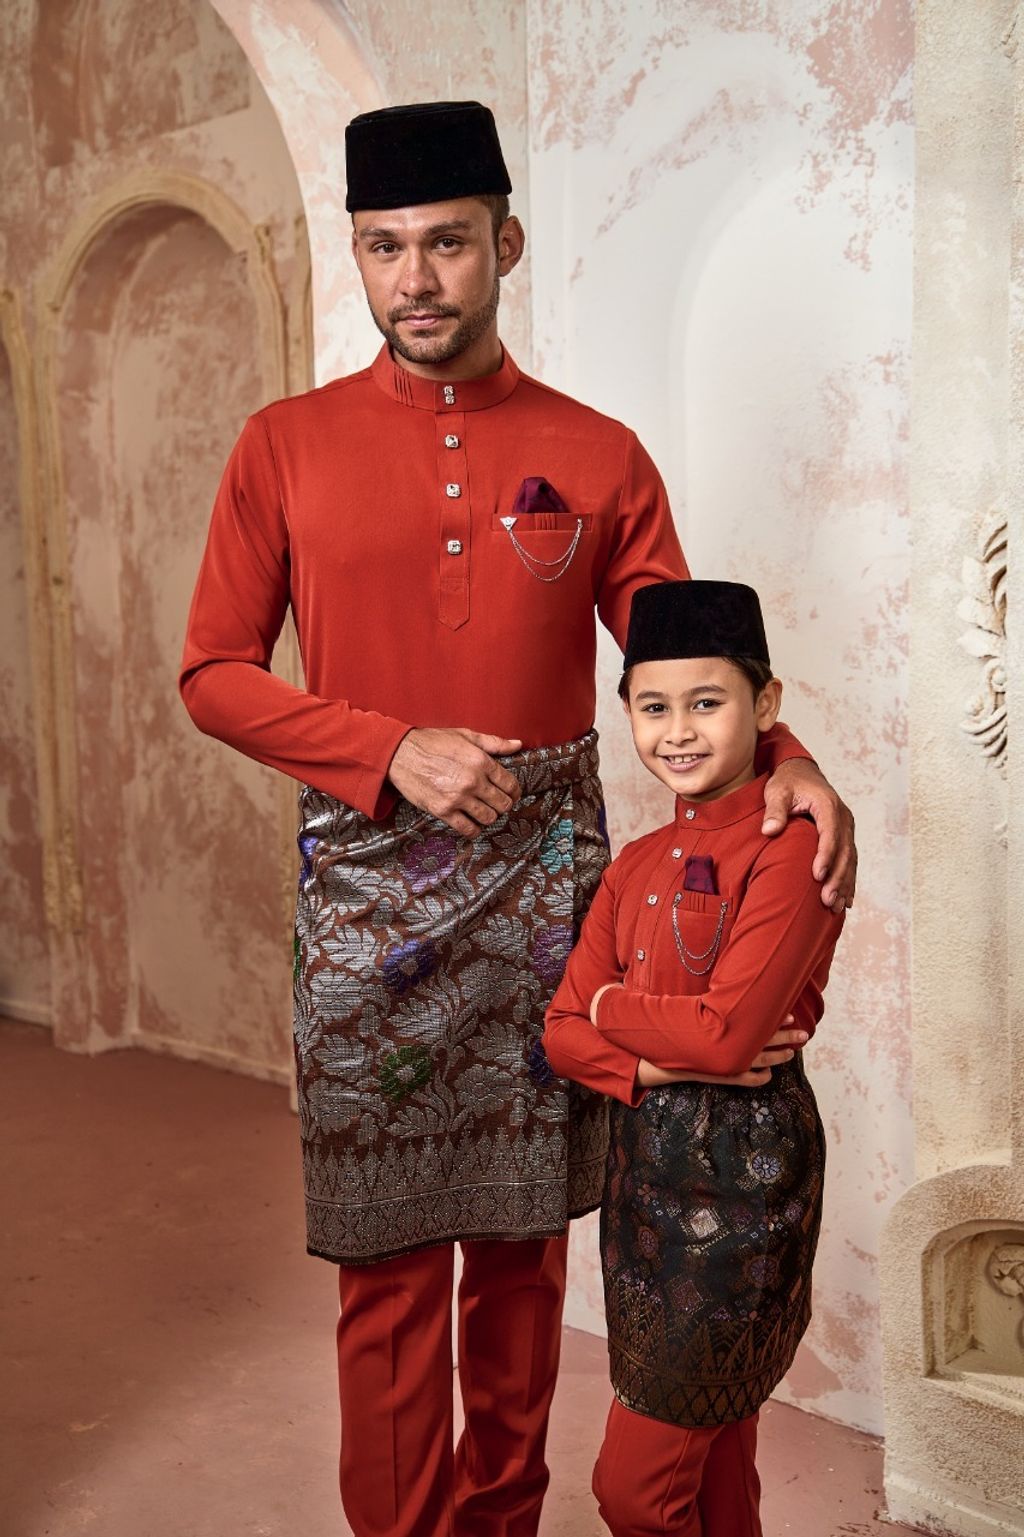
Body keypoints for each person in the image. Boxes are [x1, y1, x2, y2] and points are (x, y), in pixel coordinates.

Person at [179, 101, 856, 1537]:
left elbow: (680, 654)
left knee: (521, 1249)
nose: (415, 278)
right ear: (358, 257)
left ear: (507, 244)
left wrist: (787, 752)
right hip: (363, 896)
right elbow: (213, 675)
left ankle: (499, 1521)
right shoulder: (281, 446)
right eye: (384, 248)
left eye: (445, 243)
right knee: (385, 1264)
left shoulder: (596, 453)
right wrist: (386, 748)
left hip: (548, 888)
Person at [543, 579, 847, 1537]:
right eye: (653, 706)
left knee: (637, 1490)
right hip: (643, 1183)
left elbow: (728, 1035)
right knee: (715, 1465)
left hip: (745, 1184)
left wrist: (610, 1007)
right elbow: (560, 1033)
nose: (678, 731)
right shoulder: (634, 864)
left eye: (707, 702)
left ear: (766, 703)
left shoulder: (793, 846)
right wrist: (653, 1063)